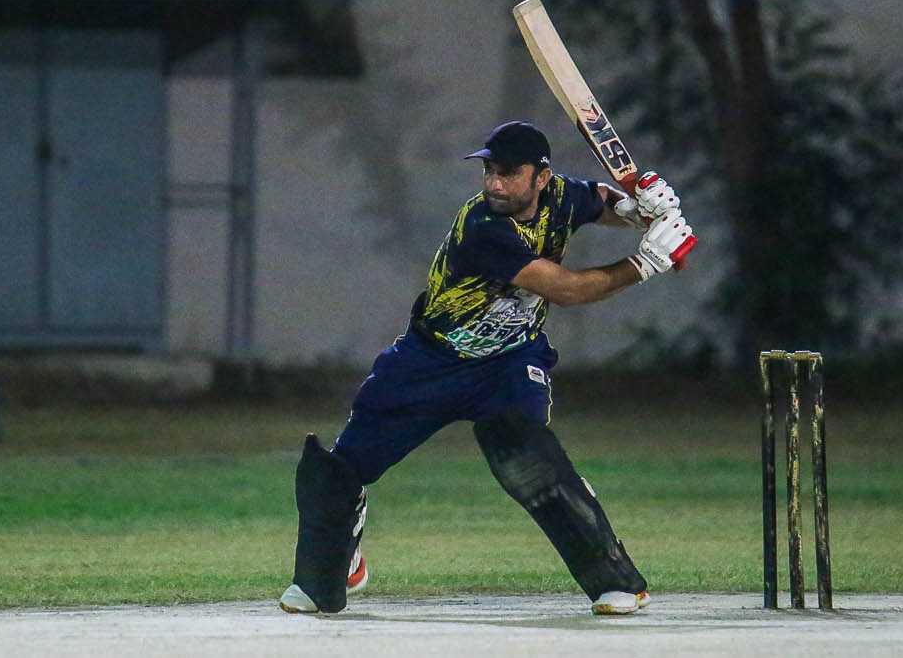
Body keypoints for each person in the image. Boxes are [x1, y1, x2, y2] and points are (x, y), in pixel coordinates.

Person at [278, 121, 695, 615]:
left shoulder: (560, 195)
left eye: (509, 173)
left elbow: (598, 199)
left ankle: (616, 581)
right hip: (430, 361)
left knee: (533, 460)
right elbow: (566, 290)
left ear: (541, 177)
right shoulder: (483, 228)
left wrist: (635, 210)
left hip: (509, 362)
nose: (495, 183)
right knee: (337, 474)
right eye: (490, 171)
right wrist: (646, 261)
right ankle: (333, 569)